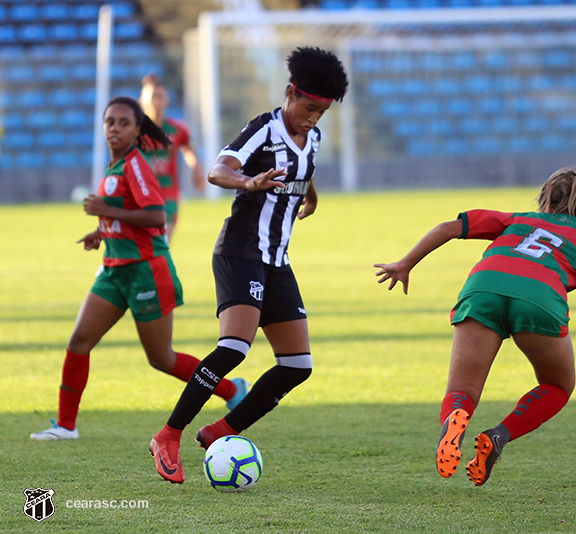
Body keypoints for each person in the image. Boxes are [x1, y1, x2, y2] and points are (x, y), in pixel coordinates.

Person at [374, 168, 576, 486]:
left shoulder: (519, 220)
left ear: (545, 199)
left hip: (484, 285)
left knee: (463, 389)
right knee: (558, 386)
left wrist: (405, 263)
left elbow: (449, 227)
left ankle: (454, 425)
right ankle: (499, 436)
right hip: (540, 298)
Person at [149, 47, 348, 484]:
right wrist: (247, 181)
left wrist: (310, 198)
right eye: (310, 107)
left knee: (297, 366)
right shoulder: (264, 128)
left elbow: (304, 167)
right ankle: (168, 435)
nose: (314, 118)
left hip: (276, 261)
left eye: (323, 112)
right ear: (291, 92)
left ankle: (222, 430)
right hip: (240, 252)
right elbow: (217, 170)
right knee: (234, 348)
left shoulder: (311, 136)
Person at [30, 97, 247, 442]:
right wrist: (102, 231)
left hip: (147, 270)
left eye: (123, 123)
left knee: (161, 358)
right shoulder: (114, 166)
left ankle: (230, 389)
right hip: (114, 269)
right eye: (109, 122)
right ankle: (65, 426)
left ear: (137, 130)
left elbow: (156, 216)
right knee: (79, 341)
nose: (114, 128)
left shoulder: (135, 165)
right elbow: (125, 210)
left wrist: (106, 210)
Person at [140, 73, 205, 241]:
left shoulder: (177, 130)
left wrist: (196, 167)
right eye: (153, 96)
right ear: (142, 100)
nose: (156, 101)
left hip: (168, 194)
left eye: (160, 96)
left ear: (167, 100)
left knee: (161, 244)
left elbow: (188, 149)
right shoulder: (134, 131)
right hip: (141, 195)